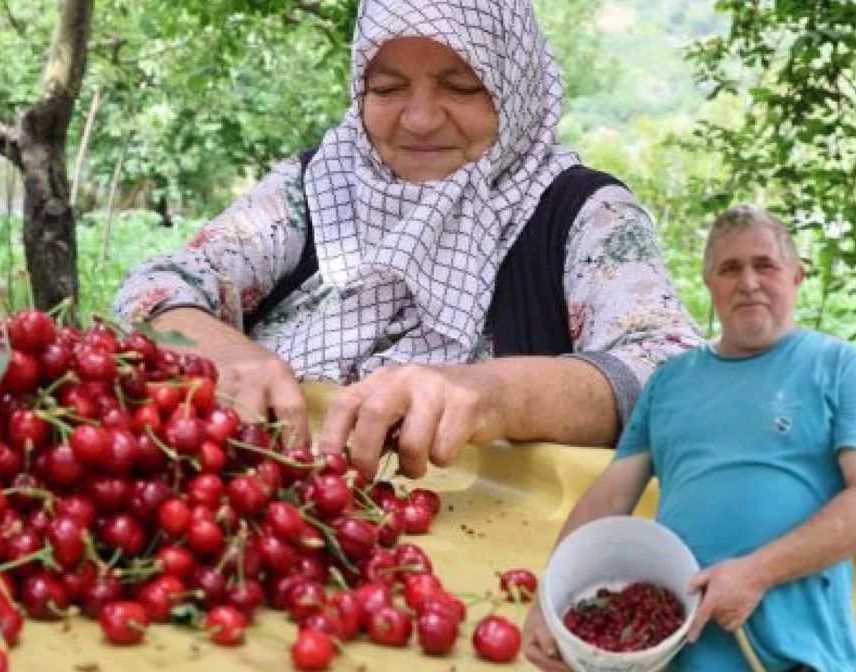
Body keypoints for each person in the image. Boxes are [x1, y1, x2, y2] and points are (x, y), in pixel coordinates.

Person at [114, 0, 700, 478]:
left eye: (463, 87)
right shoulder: (317, 185)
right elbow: (156, 288)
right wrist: (237, 358)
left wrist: (492, 394)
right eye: (389, 87)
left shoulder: (580, 214)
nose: (418, 119)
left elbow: (672, 372)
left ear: (515, 87)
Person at [522, 205, 856, 672]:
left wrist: (754, 574)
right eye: (729, 268)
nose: (747, 282)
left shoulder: (839, 367)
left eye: (764, 265)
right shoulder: (670, 383)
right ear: (709, 284)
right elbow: (609, 497)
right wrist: (550, 599)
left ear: (796, 275)